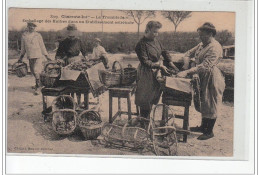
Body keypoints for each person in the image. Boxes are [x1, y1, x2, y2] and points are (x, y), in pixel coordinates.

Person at [177, 22, 225, 140]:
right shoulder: (202, 44)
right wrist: (186, 64)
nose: (200, 38)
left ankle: (209, 132)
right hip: (202, 77)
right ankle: (203, 127)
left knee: (211, 102)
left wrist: (187, 72)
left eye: (202, 35)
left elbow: (205, 66)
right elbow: (188, 53)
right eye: (199, 35)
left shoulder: (215, 47)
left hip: (212, 77)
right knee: (203, 100)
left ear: (210, 34)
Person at [135, 20, 178, 126]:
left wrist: (170, 62)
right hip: (146, 72)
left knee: (153, 96)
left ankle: (146, 119)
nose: (156, 34)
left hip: (156, 71)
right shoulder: (141, 44)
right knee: (145, 97)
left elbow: (164, 51)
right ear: (147, 30)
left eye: (157, 32)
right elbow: (145, 62)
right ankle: (143, 122)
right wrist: (159, 65)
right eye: (154, 32)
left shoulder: (156, 41)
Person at [18, 22, 51, 95]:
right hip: (30, 56)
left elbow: (42, 46)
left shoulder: (37, 35)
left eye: (33, 26)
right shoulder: (24, 36)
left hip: (38, 56)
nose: (32, 28)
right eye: (30, 26)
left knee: (36, 71)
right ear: (28, 27)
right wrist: (21, 57)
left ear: (35, 27)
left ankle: (38, 87)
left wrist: (46, 56)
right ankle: (39, 83)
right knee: (33, 71)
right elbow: (23, 48)